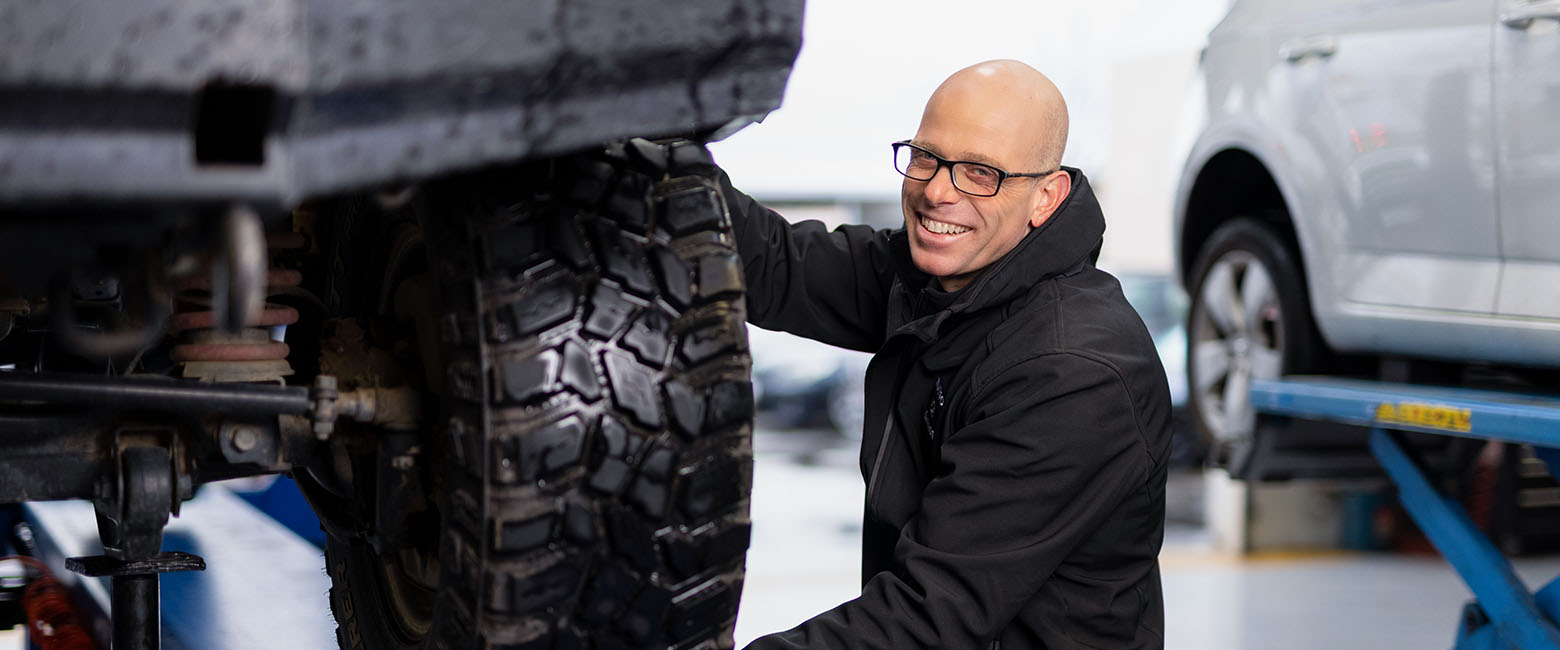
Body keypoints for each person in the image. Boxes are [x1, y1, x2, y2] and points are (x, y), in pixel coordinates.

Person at [712, 59, 1172, 648]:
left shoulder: (1071, 373)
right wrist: (663, 160)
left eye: (980, 172)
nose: (936, 191)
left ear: (1046, 197)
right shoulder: (938, 282)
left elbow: (928, 616)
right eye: (926, 157)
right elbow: (774, 262)